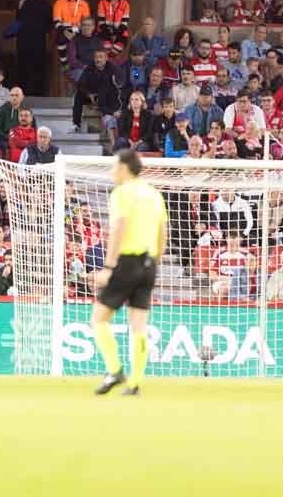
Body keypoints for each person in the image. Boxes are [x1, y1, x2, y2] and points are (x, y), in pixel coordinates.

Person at [91, 149, 167, 397]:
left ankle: (114, 370)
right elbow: (162, 231)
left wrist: (109, 266)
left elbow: (119, 227)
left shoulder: (122, 193)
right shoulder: (154, 194)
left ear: (124, 168)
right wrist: (155, 260)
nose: (112, 171)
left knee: (99, 318)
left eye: (115, 166)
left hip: (126, 262)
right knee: (139, 325)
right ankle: (134, 383)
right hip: (149, 263)